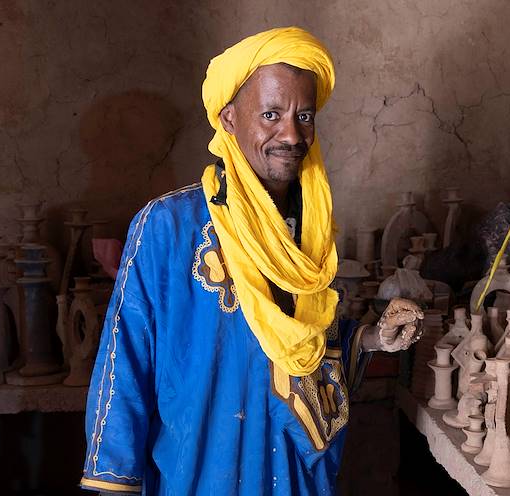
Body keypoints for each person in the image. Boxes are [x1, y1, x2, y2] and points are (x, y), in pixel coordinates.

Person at [79, 27, 424, 495]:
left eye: (305, 115)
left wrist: (369, 339)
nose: (292, 134)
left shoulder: (312, 229)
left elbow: (303, 349)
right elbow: (124, 366)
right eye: (270, 114)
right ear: (228, 119)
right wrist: (111, 486)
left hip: (293, 474)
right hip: (199, 474)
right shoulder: (168, 226)